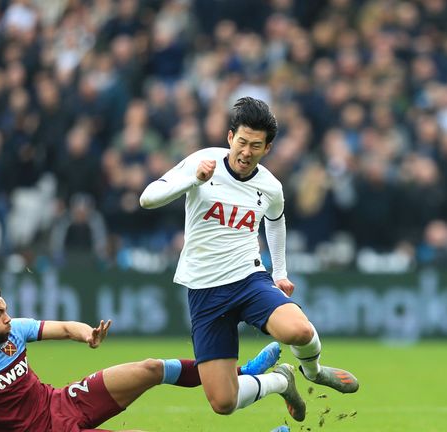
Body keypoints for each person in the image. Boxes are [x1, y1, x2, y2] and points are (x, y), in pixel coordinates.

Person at [139, 97, 359, 423]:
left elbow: (276, 219)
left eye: (256, 146)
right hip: (205, 291)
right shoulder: (203, 161)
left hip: (248, 278)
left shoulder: (270, 186)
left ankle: (313, 372)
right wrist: (193, 180)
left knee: (298, 330)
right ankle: (280, 381)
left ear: (267, 148)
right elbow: (147, 199)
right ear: (230, 138)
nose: (246, 152)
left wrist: (280, 272)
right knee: (223, 402)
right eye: (241, 142)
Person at [0, 281, 281, 432]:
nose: (7, 318)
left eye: (6, 310)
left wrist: (86, 333)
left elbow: (63, 328)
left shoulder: (14, 331)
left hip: (63, 403)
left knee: (151, 368)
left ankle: (237, 373)